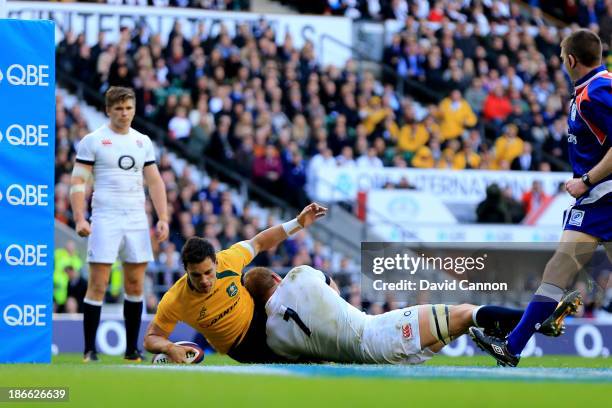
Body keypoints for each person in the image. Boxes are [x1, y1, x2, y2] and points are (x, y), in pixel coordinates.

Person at [470, 29, 612, 367]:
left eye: (563, 56)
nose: (561, 62)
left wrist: (587, 179)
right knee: (558, 269)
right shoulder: (588, 91)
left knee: (560, 268)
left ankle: (514, 346)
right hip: (597, 198)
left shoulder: (597, 92)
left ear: (572, 60)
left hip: (602, 196)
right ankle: (513, 346)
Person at [242, 266, 565, 365]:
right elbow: (333, 289)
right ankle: (538, 320)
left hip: (368, 361)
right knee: (466, 312)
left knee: (461, 323)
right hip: (379, 333)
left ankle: (517, 332)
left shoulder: (275, 337)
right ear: (275, 278)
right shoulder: (297, 275)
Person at [143, 203, 327, 364]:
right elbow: (151, 338)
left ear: (216, 262)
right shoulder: (175, 299)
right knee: (309, 359)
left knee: (318, 292)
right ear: (186, 270)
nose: (204, 281)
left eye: (208, 272)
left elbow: (259, 242)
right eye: (196, 275)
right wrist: (169, 348)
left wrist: (298, 223)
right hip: (243, 345)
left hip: (263, 312)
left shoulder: (228, 260)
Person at [70, 86, 170, 362]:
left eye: (128, 108)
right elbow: (78, 182)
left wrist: (163, 218)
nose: (124, 114)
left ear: (134, 109)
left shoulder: (143, 142)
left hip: (136, 218)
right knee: (98, 284)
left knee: (136, 284)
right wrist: (80, 217)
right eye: (119, 109)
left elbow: (154, 181)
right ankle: (90, 349)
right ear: (108, 110)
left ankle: (131, 350)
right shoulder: (93, 141)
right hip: (105, 217)